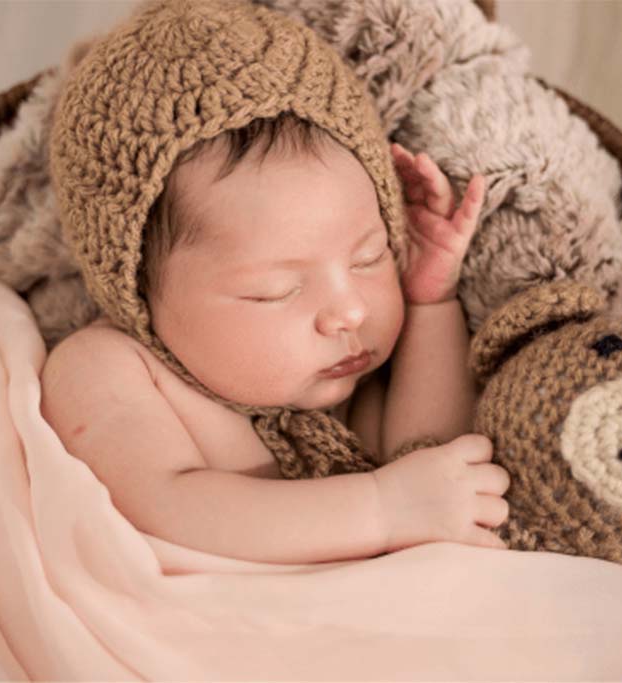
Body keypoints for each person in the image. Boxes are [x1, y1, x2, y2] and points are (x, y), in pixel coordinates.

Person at [41, 0, 509, 564]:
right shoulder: (109, 370)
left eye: (368, 256)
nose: (349, 310)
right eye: (275, 290)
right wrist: (382, 509)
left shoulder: (343, 379)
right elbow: (165, 507)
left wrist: (432, 299)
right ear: (134, 286)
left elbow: (437, 459)